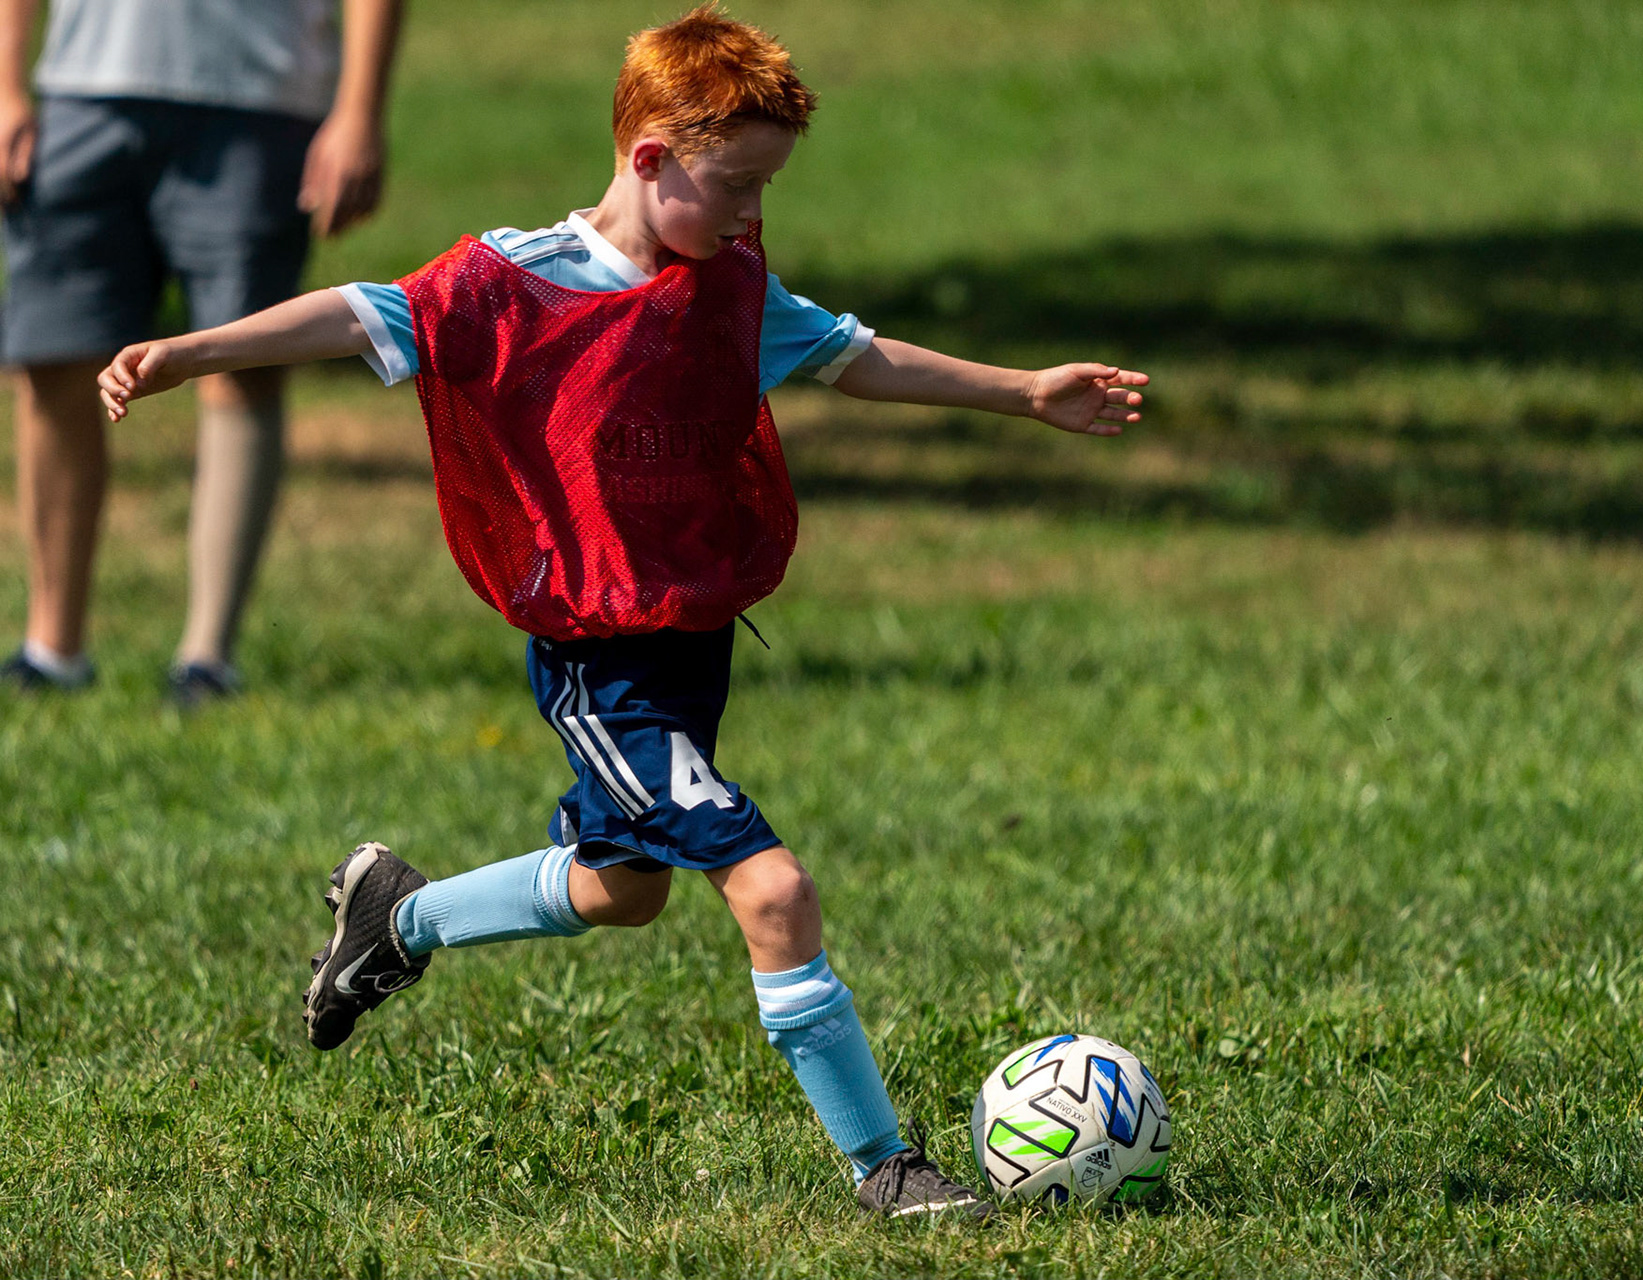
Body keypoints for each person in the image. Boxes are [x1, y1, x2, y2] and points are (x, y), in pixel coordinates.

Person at [96, 5, 1147, 1217]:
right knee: (773, 891)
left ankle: (402, 915)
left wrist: (1028, 392)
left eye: (766, 189)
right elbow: (353, 310)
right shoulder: (512, 282)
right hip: (601, 663)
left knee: (622, 886)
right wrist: (189, 351)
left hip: (691, 645)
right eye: (737, 185)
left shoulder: (727, 286)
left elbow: (855, 356)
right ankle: (886, 1168)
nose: (754, 213)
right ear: (650, 158)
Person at [0, 0, 405, 702]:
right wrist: (5, 85)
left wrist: (359, 110)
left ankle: (206, 659)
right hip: (80, 89)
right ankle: (51, 649)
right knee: (51, 356)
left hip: (258, 94)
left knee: (241, 367)